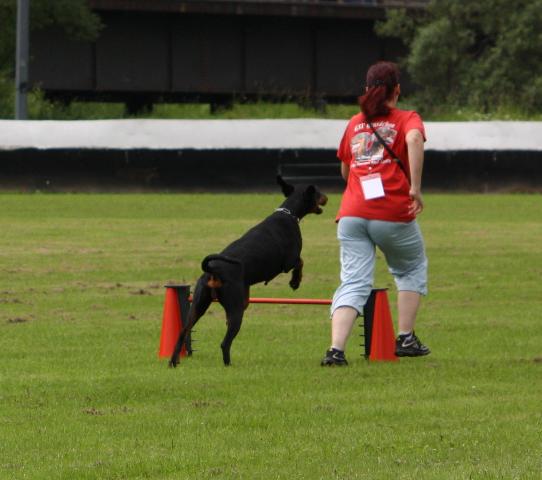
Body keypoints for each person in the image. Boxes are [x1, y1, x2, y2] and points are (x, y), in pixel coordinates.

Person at [321, 61, 430, 366]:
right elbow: (413, 139)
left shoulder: (355, 123)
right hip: (392, 213)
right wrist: (416, 188)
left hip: (352, 214)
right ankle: (406, 337)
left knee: (353, 282)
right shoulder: (407, 118)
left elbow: (346, 170)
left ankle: (336, 351)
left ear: (367, 90)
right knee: (411, 267)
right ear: (397, 90)